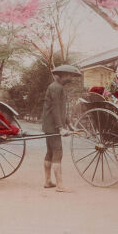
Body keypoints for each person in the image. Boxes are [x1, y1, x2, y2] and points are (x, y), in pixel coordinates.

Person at [42, 64, 81, 192]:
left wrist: (68, 124)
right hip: (53, 126)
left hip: (49, 125)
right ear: (63, 75)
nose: (71, 77)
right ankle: (60, 185)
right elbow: (55, 108)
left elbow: (62, 110)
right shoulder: (56, 88)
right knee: (58, 152)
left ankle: (48, 181)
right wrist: (60, 128)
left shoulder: (58, 87)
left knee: (50, 152)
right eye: (69, 75)